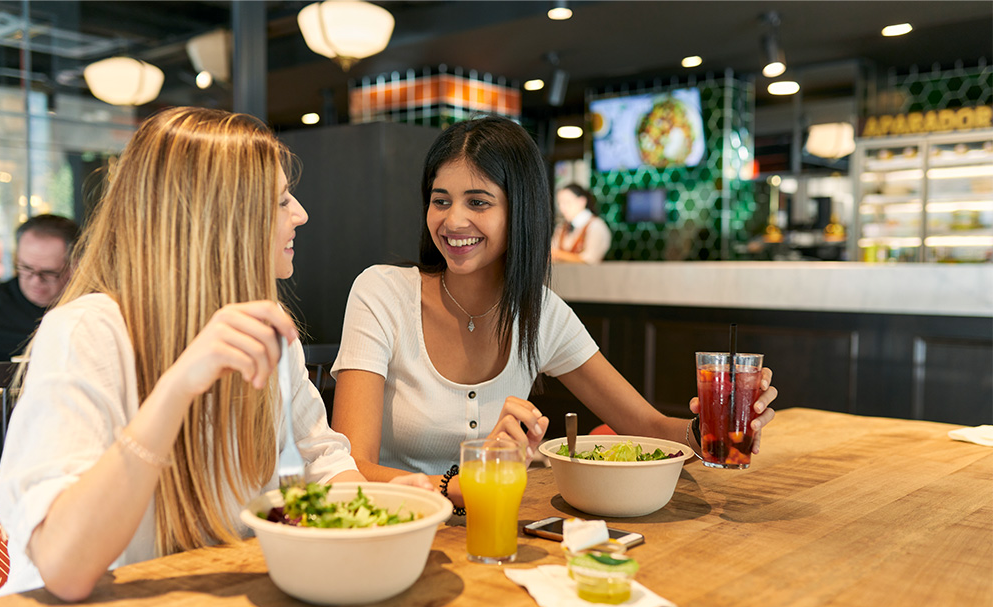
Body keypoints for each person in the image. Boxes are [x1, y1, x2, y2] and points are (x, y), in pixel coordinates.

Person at [0, 107, 423, 601]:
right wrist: (178, 386)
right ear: (220, 219)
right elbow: (65, 570)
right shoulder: (86, 331)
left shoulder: (264, 332)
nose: (300, 214)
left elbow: (322, 460)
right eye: (281, 200)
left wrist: (381, 504)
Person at [330, 115, 778, 512]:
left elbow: (646, 426)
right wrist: (454, 487)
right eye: (440, 200)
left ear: (520, 211)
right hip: (390, 530)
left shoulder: (540, 314)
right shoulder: (382, 293)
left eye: (479, 202)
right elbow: (348, 466)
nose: (453, 221)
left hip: (500, 529)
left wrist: (708, 433)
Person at [0, 214, 80, 361]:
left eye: (48, 272)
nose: (35, 281)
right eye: (26, 268)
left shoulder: (90, 308)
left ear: (74, 266)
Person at [550, 183, 612, 264]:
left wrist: (558, 254)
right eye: (559, 203)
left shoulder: (596, 226)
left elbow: (589, 260)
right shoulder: (562, 228)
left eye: (567, 202)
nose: (562, 208)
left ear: (582, 201)